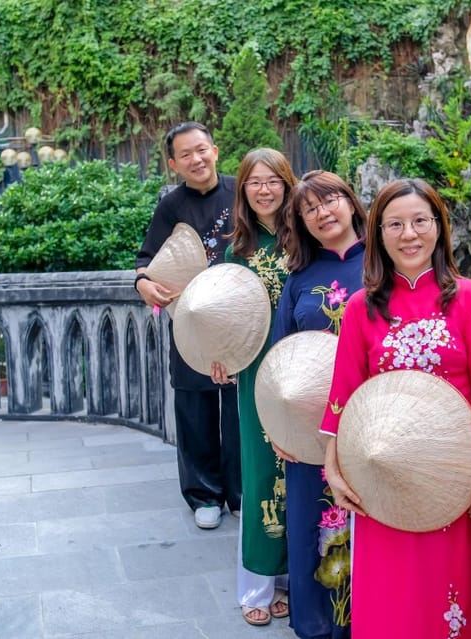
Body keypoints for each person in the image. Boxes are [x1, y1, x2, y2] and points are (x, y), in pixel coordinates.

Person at [320, 178, 471, 638]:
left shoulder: (469, 299)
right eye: (396, 224)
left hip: (455, 480)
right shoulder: (362, 308)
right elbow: (343, 394)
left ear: (439, 229)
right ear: (378, 234)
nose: (410, 234)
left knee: (450, 596)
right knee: (390, 602)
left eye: (421, 221)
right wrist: (333, 468)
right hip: (382, 478)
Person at [270, 170, 368, 639]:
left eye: (330, 200)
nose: (322, 212)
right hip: (310, 430)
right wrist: (278, 429)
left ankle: (367, 623)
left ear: (351, 203)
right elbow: (278, 361)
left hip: (372, 424)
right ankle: (315, 628)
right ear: (302, 223)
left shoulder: (383, 267)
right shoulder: (299, 280)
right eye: (309, 208)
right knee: (312, 526)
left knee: (369, 525)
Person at [135, 122, 240, 530]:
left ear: (215, 150)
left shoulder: (243, 190)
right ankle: (203, 494)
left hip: (239, 318)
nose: (196, 159)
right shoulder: (171, 205)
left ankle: (239, 492)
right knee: (195, 408)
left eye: (201, 150)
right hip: (191, 320)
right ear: (173, 164)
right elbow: (145, 260)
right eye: (186, 155)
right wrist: (143, 282)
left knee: (237, 407)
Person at [211, 148, 295, 626]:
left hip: (303, 369)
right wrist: (217, 354)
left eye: (273, 181)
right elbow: (220, 310)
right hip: (256, 369)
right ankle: (258, 586)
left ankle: (289, 580)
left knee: (299, 472)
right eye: (254, 182)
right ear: (242, 191)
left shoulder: (303, 239)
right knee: (262, 471)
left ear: (287, 184)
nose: (264, 190)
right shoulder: (235, 250)